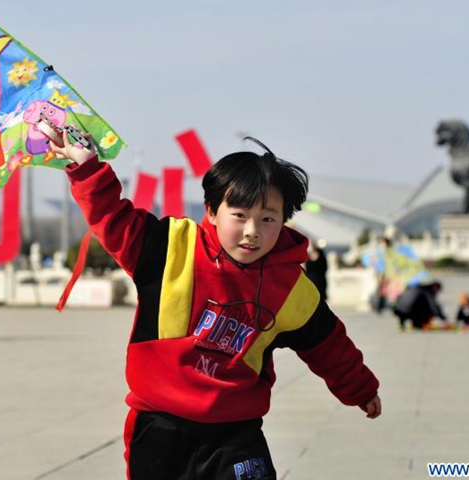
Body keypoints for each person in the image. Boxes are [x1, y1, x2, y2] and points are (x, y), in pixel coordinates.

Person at [50, 131, 381, 480]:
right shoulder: (170, 247)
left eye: (268, 219)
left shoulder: (292, 289)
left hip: (237, 434)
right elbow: (113, 218)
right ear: (211, 211)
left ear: (285, 220)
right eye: (239, 215)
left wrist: (360, 389)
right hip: (160, 427)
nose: (252, 230)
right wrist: (87, 169)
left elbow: (328, 344)